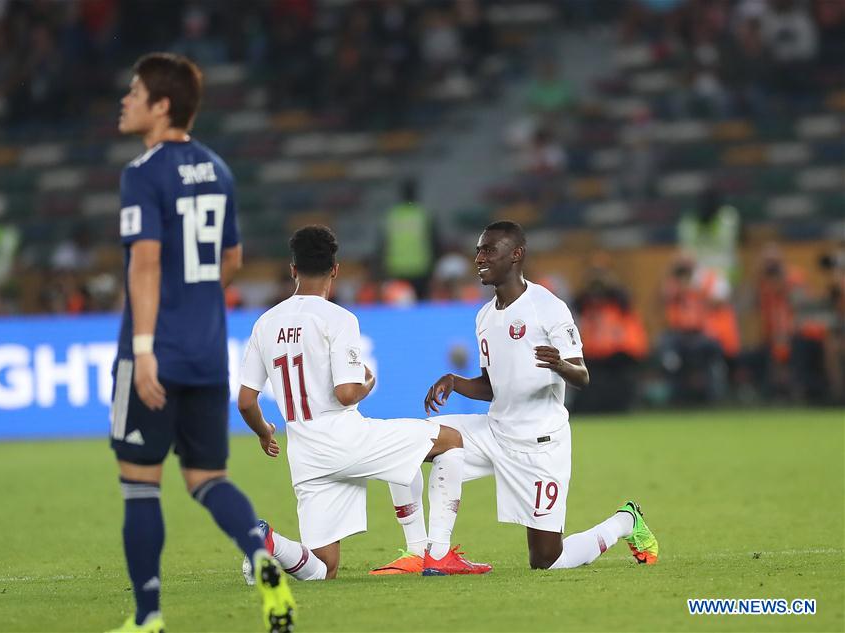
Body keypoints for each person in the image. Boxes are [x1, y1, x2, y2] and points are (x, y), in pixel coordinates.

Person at [108, 52, 294, 633]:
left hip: (155, 351)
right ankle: (263, 557)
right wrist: (193, 301)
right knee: (207, 478)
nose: (126, 100)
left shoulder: (142, 173)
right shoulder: (219, 170)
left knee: (141, 486)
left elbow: (144, 262)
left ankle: (149, 616)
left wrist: (143, 348)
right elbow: (232, 259)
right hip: (208, 351)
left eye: (135, 91)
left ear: (161, 106)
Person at [374, 221, 659, 573]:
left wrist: (559, 366)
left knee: (546, 560)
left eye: (489, 250)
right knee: (406, 441)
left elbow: (582, 375)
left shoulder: (547, 307)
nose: (479, 257)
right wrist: (454, 381)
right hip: (495, 430)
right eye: (478, 250)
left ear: (516, 255)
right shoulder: (484, 316)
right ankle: (429, 553)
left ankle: (625, 522)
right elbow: (493, 386)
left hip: (539, 445)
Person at [237, 225, 491, 579]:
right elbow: (345, 393)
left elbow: (246, 400)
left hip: (305, 452)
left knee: (323, 569)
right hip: (344, 437)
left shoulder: (265, 324)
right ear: (335, 269)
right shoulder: (339, 319)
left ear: (293, 269)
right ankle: (436, 553)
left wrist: (264, 431)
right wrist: (367, 383)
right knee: (450, 440)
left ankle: (268, 543)